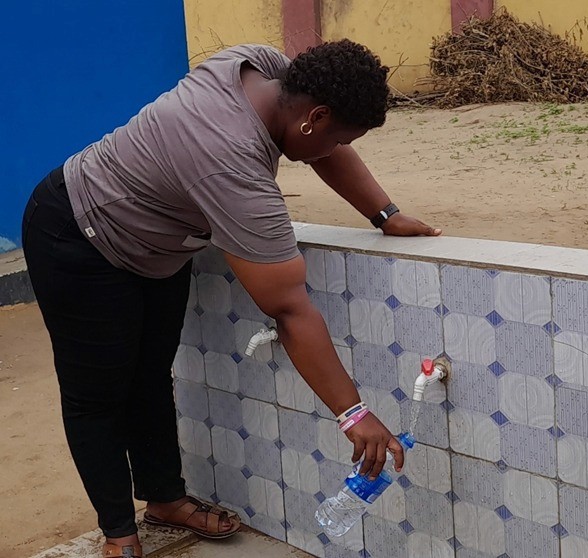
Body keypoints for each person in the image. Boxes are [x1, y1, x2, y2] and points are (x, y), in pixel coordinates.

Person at [21, 40, 439, 558]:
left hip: (157, 242)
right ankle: (118, 534)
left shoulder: (260, 65)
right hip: (78, 235)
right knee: (98, 393)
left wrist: (383, 214)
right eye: (336, 138)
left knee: (149, 376)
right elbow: (287, 308)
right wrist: (353, 415)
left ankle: (165, 499)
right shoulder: (232, 166)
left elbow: (325, 142)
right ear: (316, 117)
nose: (333, 152)